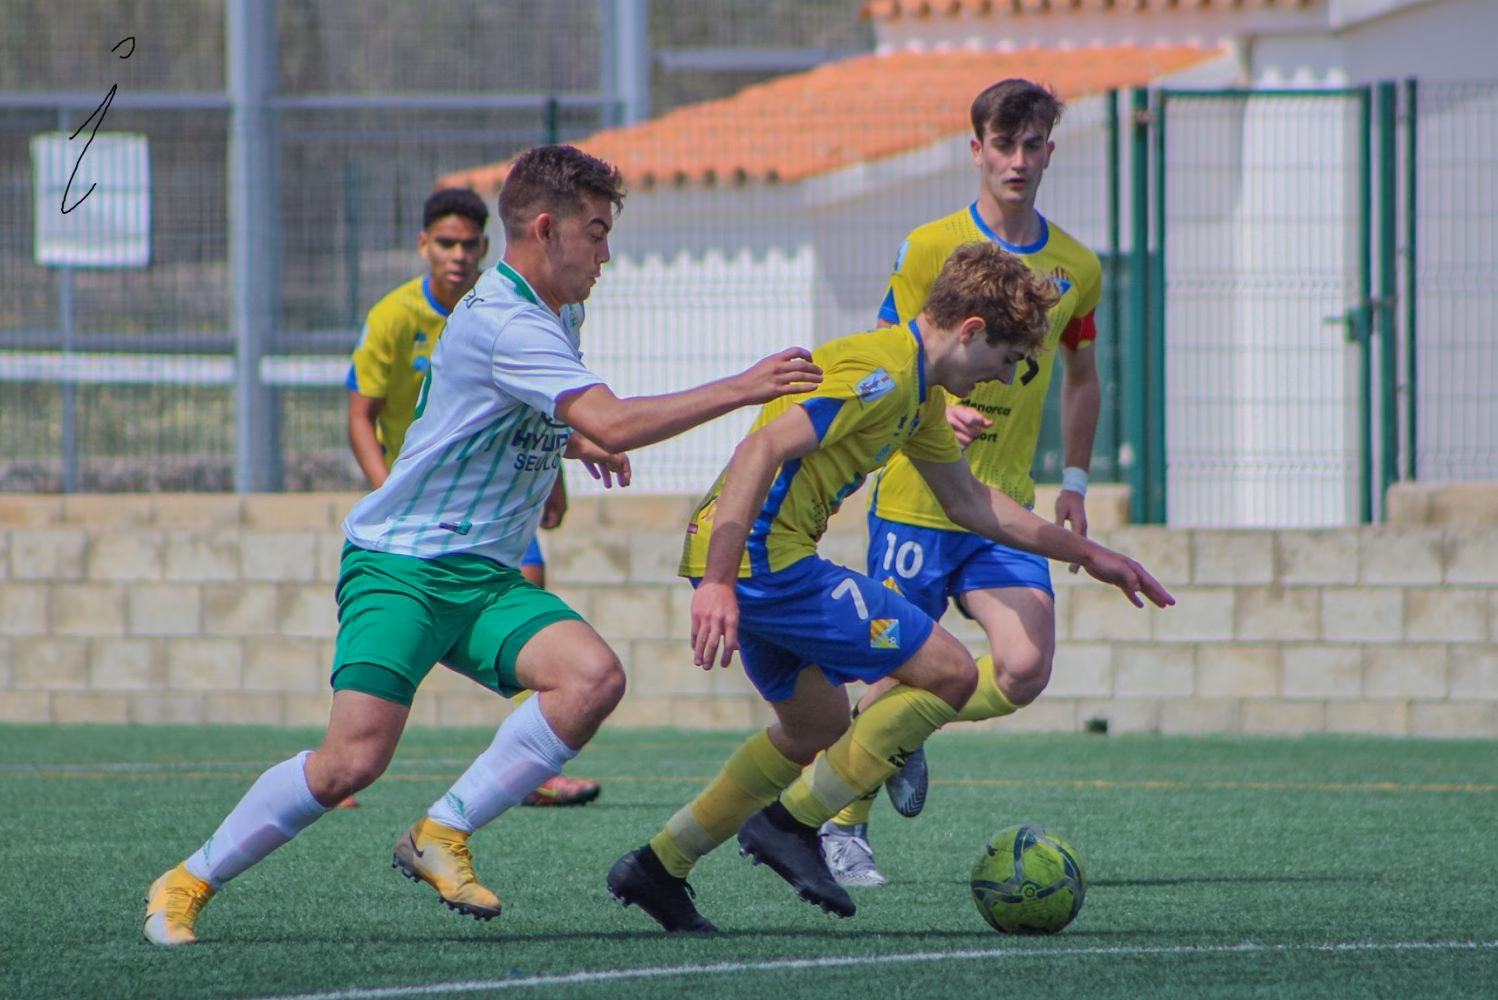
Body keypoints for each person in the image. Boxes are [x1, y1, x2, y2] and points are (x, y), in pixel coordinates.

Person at [143, 144, 823, 946]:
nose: (607, 253)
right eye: (597, 233)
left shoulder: (559, 307)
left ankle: (443, 832)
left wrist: (570, 448)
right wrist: (743, 386)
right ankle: (186, 881)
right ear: (544, 229)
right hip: (402, 567)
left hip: (484, 575)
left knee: (591, 678)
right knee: (350, 763)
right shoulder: (507, 317)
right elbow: (604, 413)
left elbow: (502, 415)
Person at [606, 241, 1172, 933]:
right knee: (949, 672)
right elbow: (760, 448)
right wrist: (719, 579)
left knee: (817, 726)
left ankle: (660, 866)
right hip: (763, 560)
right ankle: (790, 826)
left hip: (759, 561)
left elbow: (971, 503)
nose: (1001, 377)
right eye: (1003, 360)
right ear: (969, 331)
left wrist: (1089, 553)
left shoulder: (918, 394)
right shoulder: (881, 371)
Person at [818, 78, 1105, 887]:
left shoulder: (1076, 267)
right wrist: (938, 407)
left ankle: (903, 737)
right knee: (886, 672)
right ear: (975, 148)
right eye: (1003, 145)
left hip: (1003, 506)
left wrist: (1075, 478)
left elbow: (1083, 378)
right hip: (918, 496)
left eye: (1034, 144)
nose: (1018, 160)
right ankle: (843, 827)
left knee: (1024, 667)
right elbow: (889, 353)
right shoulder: (926, 247)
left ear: (1051, 149)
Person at [344, 187, 600, 809]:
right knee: (353, 756)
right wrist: (390, 490)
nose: (458, 256)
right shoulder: (400, 315)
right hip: (416, 520)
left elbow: (542, 407)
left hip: (495, 501)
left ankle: (527, 764)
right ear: (423, 246)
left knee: (559, 628)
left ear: (487, 247)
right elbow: (360, 415)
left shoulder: (543, 310)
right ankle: (337, 765)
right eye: (446, 244)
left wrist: (556, 474)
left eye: (469, 245)